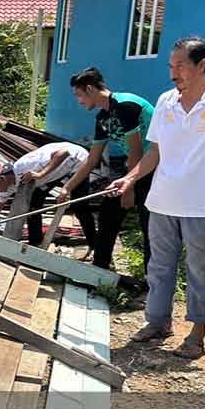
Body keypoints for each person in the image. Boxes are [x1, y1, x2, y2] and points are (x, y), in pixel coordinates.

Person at [111, 36, 205, 359]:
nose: (173, 73)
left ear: (202, 65)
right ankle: (158, 322)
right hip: (162, 199)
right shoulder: (165, 101)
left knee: (200, 270)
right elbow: (156, 151)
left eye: (180, 66)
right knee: (159, 266)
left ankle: (197, 335)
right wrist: (130, 178)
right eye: (170, 66)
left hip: (203, 203)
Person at [60, 67, 155, 271]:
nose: (78, 101)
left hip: (154, 168)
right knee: (108, 212)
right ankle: (100, 268)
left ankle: (152, 279)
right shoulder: (102, 118)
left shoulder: (125, 105)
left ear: (89, 89)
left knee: (149, 226)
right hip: (133, 169)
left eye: (78, 95)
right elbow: (92, 159)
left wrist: (129, 189)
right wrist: (67, 188)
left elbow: (136, 150)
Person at [0, 141, 96, 247]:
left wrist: (40, 174)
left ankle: (94, 244)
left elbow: (64, 153)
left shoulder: (26, 165)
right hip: (56, 172)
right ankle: (35, 243)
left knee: (80, 207)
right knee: (33, 204)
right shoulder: (6, 187)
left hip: (77, 161)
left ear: (2, 179)